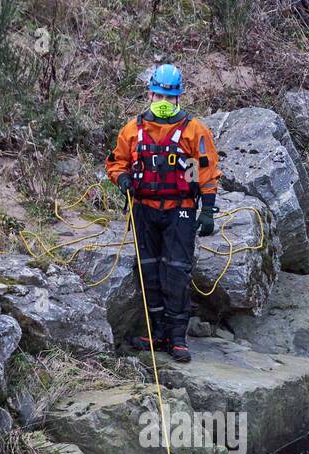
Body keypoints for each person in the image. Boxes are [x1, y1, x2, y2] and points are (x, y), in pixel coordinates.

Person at [105, 62, 222, 363]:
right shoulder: (133, 130)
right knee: (149, 272)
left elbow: (205, 171)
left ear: (179, 98)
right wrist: (123, 180)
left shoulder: (194, 131)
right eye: (159, 96)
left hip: (180, 211)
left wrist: (207, 210)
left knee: (177, 273)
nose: (164, 103)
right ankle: (155, 333)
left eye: (169, 98)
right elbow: (116, 163)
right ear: (150, 94)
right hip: (144, 210)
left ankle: (177, 337)